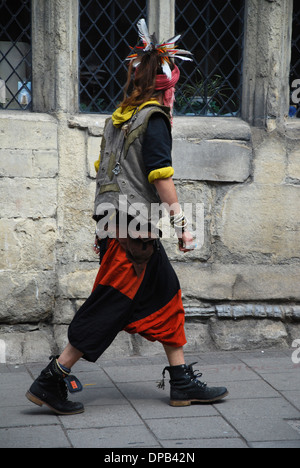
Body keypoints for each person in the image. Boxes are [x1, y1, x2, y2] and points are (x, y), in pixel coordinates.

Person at [26, 20, 228, 415]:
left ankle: (182, 381)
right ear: (164, 86)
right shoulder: (153, 119)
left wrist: (101, 229)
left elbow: (106, 175)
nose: (174, 96)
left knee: (167, 293)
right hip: (133, 234)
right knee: (108, 306)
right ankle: (51, 378)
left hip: (120, 229)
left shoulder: (117, 119)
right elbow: (160, 176)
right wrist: (184, 225)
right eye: (173, 89)